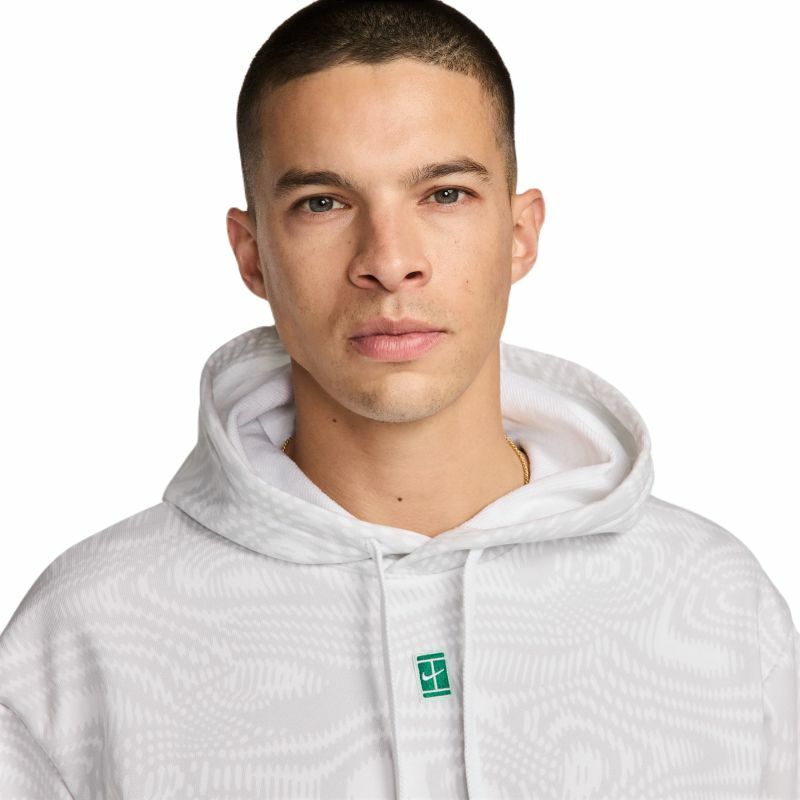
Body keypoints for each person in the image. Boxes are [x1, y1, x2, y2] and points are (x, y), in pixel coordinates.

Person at [1, 0, 797, 797]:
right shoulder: (85, 635)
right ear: (252, 256)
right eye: (323, 202)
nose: (389, 261)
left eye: (444, 194)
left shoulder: (712, 603)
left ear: (520, 234)